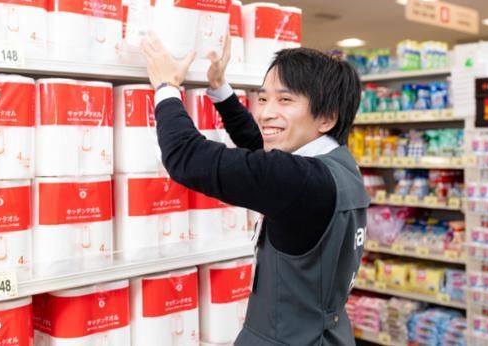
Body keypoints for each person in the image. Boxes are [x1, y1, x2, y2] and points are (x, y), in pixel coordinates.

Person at [141, 32, 370, 346]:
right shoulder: (338, 166)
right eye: (263, 99)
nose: (265, 113)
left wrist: (166, 87)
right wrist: (219, 89)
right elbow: (260, 149)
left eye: (285, 100)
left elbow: (188, 159)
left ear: (327, 118)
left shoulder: (300, 180)